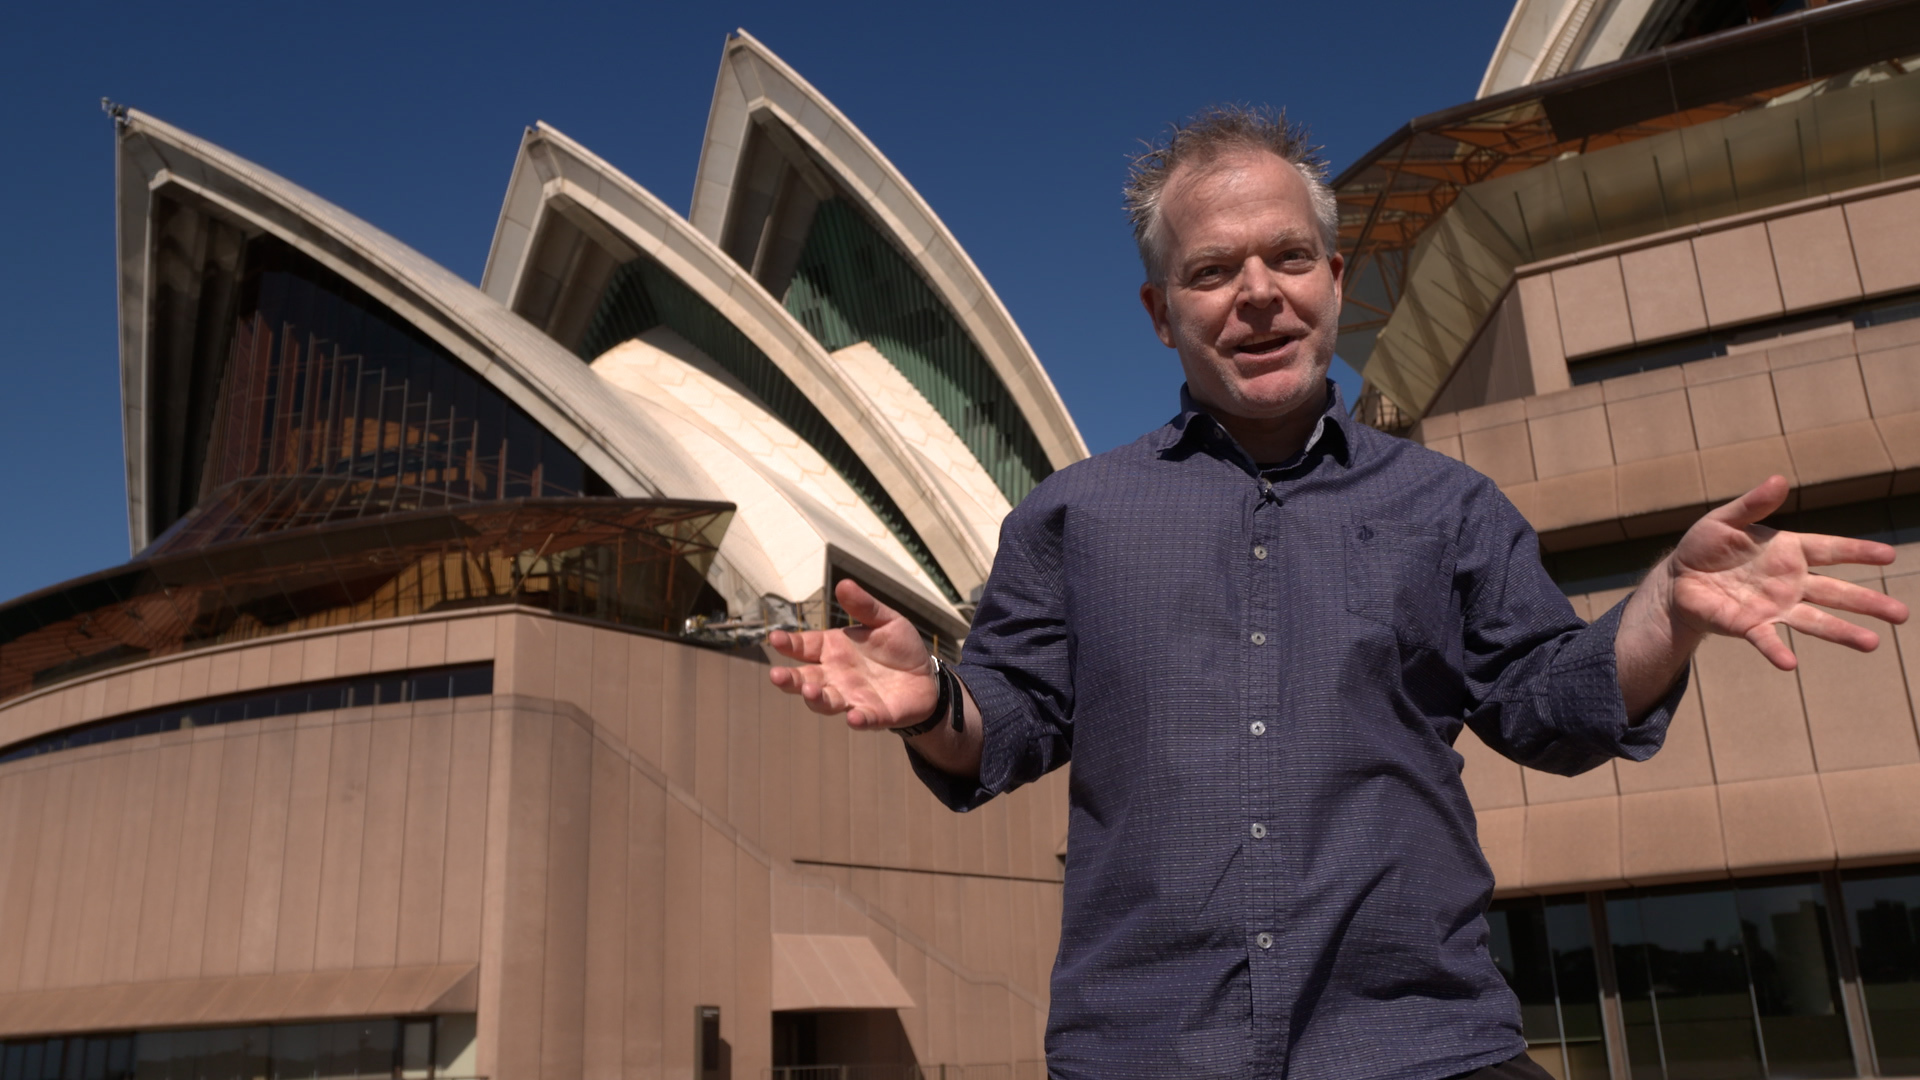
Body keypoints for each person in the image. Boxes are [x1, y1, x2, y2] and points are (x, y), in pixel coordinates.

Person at [766, 107, 1908, 1080]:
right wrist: (934, 705)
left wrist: (1664, 608)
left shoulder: (1451, 508)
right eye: (1211, 272)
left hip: (1418, 1045)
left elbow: (1550, 712)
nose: (1257, 294)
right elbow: (1007, 726)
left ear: (1335, 280)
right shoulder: (1074, 518)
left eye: (1288, 258)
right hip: (1150, 1050)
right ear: (1162, 315)